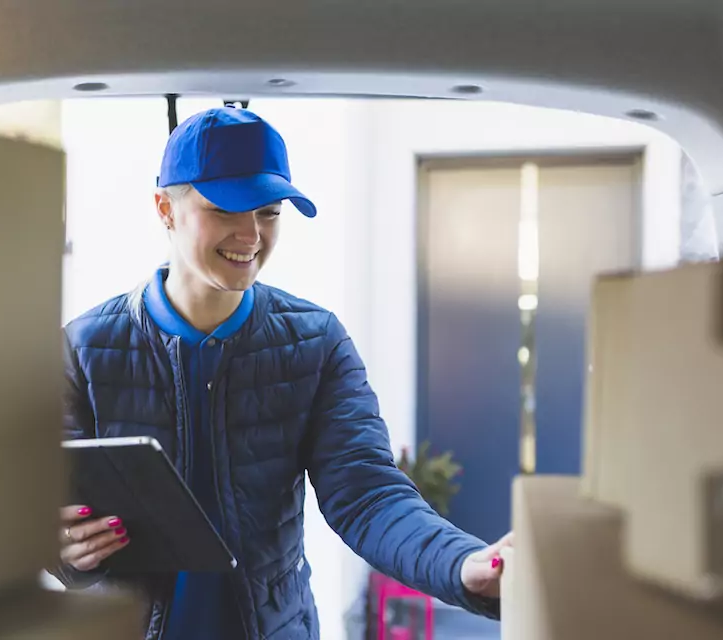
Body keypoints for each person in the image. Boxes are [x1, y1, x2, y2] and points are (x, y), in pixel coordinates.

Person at [52, 106, 511, 639]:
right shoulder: (84, 348)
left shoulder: (315, 343)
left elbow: (367, 495)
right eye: (225, 208)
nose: (251, 235)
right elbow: (44, 508)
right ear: (165, 209)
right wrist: (65, 550)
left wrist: (462, 565)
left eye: (269, 212)